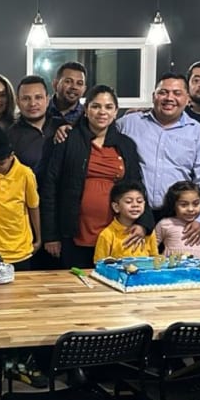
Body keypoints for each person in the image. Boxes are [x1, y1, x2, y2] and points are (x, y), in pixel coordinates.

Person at [40, 85, 152, 269]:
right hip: (75, 232)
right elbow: (50, 187)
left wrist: (143, 224)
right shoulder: (67, 139)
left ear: (115, 112)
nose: (102, 112)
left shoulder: (126, 145)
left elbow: (138, 188)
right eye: (96, 106)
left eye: (108, 107)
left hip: (117, 234)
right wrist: (51, 235)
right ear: (86, 110)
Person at [116, 73, 200, 248]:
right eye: (163, 92)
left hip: (180, 221)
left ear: (187, 99)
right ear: (153, 96)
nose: (169, 98)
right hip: (134, 218)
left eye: (177, 93)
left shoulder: (197, 132)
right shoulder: (128, 124)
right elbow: (98, 134)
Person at [0, 127, 40, 271]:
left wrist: (38, 238)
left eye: (0, 163)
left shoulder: (25, 174)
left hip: (20, 250)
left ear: (11, 155)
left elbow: (33, 206)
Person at [7, 75, 67, 173]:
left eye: (38, 97)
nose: (32, 103)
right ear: (18, 102)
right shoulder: (10, 136)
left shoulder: (62, 125)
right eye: (26, 98)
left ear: (47, 100)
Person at [94, 180, 160, 262]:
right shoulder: (107, 235)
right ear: (116, 207)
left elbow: (154, 258)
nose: (135, 205)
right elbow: (99, 263)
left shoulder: (148, 232)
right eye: (129, 202)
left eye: (139, 201)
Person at [156, 181, 200, 262]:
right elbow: (152, 246)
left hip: (199, 268)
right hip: (171, 268)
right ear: (173, 205)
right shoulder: (164, 224)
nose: (190, 209)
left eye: (196, 204)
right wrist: (163, 261)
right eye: (183, 205)